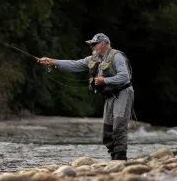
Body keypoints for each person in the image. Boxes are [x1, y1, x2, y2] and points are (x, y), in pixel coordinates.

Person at [37, 33, 133, 161]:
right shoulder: (93, 59)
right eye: (91, 45)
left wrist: (105, 81)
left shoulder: (117, 56)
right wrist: (52, 61)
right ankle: (114, 157)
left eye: (95, 44)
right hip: (109, 95)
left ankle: (121, 158)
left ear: (104, 44)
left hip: (123, 92)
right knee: (107, 130)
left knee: (118, 125)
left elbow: (124, 76)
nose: (92, 47)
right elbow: (74, 65)